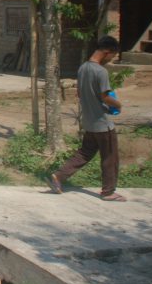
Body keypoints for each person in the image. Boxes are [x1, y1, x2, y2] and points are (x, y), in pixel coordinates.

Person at [49, 35, 126, 201]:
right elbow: (105, 97)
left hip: (89, 121)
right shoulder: (101, 71)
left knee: (85, 153)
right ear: (107, 52)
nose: (111, 59)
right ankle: (108, 192)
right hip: (102, 123)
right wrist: (118, 105)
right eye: (112, 56)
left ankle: (59, 176)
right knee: (110, 157)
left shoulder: (83, 68)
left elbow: (80, 93)